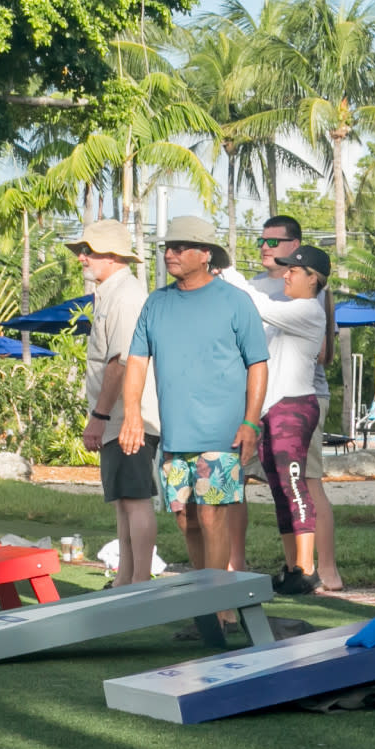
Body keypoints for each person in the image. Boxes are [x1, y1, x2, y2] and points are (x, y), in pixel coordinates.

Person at [118, 216, 270, 584]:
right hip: (175, 435)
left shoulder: (236, 302)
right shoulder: (156, 303)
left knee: (211, 514)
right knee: (185, 518)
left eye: (180, 247)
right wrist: (132, 414)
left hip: (222, 433)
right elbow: (137, 361)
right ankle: (204, 595)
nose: (170, 253)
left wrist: (251, 422)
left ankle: (218, 601)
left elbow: (258, 364)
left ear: (205, 254)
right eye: (168, 247)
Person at [248, 214, 344, 591]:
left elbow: (322, 353)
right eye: (262, 241)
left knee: (304, 483)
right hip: (271, 402)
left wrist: (222, 276)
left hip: (302, 400)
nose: (266, 248)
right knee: (280, 486)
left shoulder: (310, 303)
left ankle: (320, 569)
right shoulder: (272, 289)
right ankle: (295, 568)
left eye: (275, 242)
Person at [70, 219, 158, 585]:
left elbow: (121, 362)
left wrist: (100, 415)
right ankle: (127, 577)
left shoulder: (126, 296)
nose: (82, 259)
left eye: (88, 252)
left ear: (112, 255)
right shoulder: (112, 293)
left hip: (128, 416)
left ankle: (139, 581)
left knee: (135, 498)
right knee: (123, 499)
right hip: (119, 417)